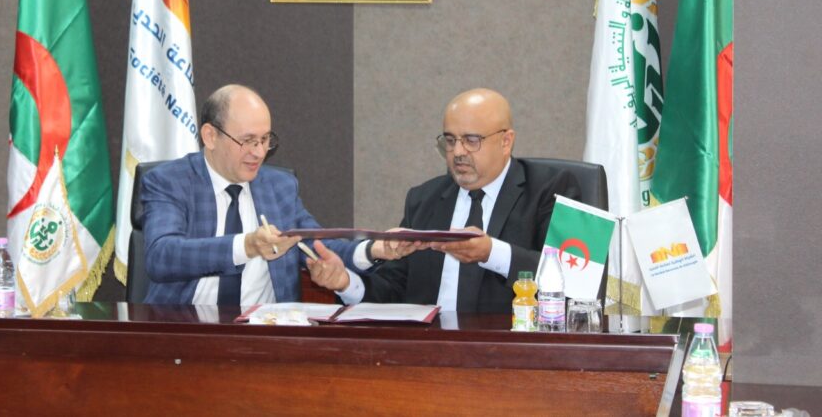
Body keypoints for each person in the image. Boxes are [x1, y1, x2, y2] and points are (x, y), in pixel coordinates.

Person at [308, 88, 583, 313]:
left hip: (514, 352)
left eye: (471, 140)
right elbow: (394, 291)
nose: (458, 152)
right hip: (431, 351)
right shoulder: (423, 199)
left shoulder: (557, 188)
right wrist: (346, 283)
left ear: (506, 141)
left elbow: (580, 280)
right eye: (450, 141)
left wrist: (491, 253)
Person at [141, 84, 363, 305]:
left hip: (266, 323)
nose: (259, 152)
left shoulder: (279, 186)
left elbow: (317, 245)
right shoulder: (171, 181)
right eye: (247, 141)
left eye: (265, 139)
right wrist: (247, 246)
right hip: (186, 322)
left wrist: (371, 251)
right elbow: (161, 256)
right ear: (210, 136)